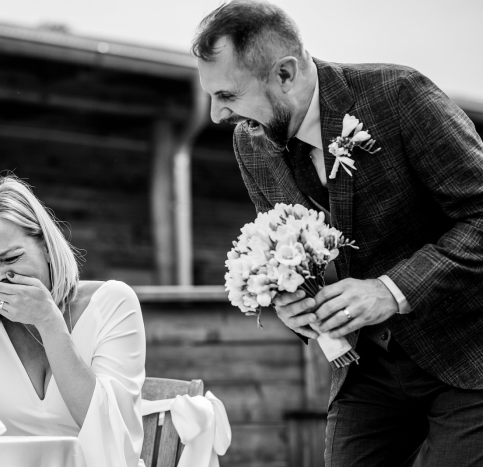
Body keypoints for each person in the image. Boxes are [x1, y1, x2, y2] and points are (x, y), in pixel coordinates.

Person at [193, 1, 483, 466]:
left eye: (226, 94)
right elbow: (287, 249)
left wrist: (391, 291)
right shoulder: (251, 142)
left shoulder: (398, 95)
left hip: (466, 357)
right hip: (366, 372)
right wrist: (287, 301)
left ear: (285, 74)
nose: (215, 114)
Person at [0, 176, 146, 467]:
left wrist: (48, 321)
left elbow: (114, 444)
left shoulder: (113, 302)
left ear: (46, 245)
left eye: (11, 258)